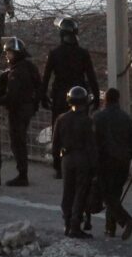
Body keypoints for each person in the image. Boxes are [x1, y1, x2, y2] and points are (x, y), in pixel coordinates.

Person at [42, 17, 99, 178]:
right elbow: (91, 76)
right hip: (80, 96)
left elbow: (46, 77)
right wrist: (95, 97)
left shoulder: (54, 53)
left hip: (60, 97)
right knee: (82, 131)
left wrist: (43, 96)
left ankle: (59, 166)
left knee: (58, 131)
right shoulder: (83, 53)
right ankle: (83, 165)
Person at [91, 87, 132, 239]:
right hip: (122, 163)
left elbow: (93, 142)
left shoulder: (98, 117)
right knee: (114, 196)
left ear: (105, 100)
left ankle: (127, 220)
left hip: (105, 163)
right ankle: (110, 228)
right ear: (118, 100)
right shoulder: (126, 118)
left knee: (107, 196)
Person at [52, 86, 97, 238]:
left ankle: (67, 222)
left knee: (68, 192)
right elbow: (91, 145)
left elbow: (55, 144)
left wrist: (57, 163)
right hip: (82, 159)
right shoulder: (87, 121)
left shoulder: (61, 119)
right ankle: (75, 225)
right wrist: (95, 166)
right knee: (80, 193)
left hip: (66, 158)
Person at [0, 37, 40, 187]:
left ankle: (22, 175)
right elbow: (39, 86)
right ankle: (22, 173)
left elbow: (12, 96)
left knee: (17, 143)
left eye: (9, 53)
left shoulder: (16, 72)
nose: (7, 56)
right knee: (20, 141)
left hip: (18, 110)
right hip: (27, 108)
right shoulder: (29, 67)